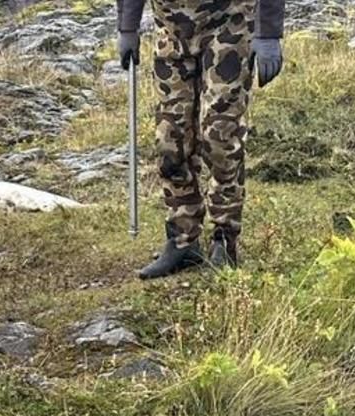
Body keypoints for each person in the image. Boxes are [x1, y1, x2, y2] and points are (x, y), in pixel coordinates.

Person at [115, 0, 284, 279]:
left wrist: (269, 34)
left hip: (229, 24)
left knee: (219, 135)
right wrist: (127, 26)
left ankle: (224, 239)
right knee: (171, 138)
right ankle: (183, 240)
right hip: (171, 30)